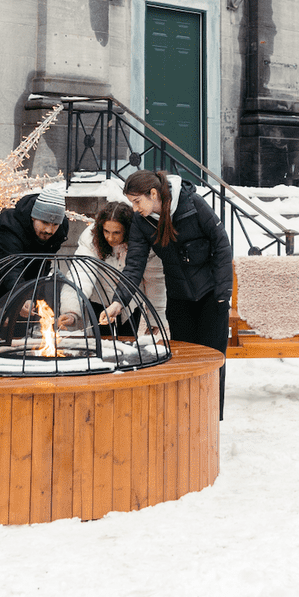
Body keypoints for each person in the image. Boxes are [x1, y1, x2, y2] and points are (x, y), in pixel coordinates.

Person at [102, 169, 232, 415]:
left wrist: (223, 292)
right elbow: (134, 265)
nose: (136, 208)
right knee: (183, 359)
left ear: (153, 194)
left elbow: (222, 245)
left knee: (213, 361)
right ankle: (186, 416)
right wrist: (119, 302)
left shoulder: (192, 204)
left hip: (211, 296)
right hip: (179, 297)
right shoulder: (141, 222)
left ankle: (213, 419)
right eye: (132, 202)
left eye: (138, 201)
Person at [72, 203, 166, 333]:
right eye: (106, 231)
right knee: (102, 341)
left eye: (116, 232)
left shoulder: (141, 240)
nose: (110, 238)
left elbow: (154, 280)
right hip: (100, 298)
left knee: (127, 342)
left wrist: (155, 318)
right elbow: (81, 274)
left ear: (127, 230)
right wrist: (71, 310)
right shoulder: (91, 238)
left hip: (131, 300)